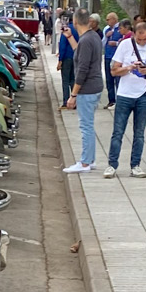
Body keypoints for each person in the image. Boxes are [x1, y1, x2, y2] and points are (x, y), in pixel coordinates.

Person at [106, 17, 146, 177]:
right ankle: (112, 165)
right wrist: (128, 68)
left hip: (144, 95)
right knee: (118, 131)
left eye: (145, 39)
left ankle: (136, 165)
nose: (142, 42)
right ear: (133, 35)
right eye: (139, 39)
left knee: (139, 133)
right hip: (125, 94)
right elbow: (113, 70)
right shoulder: (125, 46)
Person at [63, 10, 105, 172]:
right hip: (95, 87)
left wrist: (73, 94)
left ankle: (85, 162)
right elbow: (80, 54)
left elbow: (82, 69)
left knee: (85, 125)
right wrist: (69, 37)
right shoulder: (92, 37)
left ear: (75, 22)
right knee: (88, 124)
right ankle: (90, 158)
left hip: (87, 89)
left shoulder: (87, 40)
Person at [102, 12, 122, 108]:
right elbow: (102, 43)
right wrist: (106, 36)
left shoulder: (120, 29)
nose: (107, 21)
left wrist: (116, 44)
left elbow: (124, 42)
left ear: (114, 19)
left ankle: (119, 100)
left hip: (117, 58)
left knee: (117, 79)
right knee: (109, 79)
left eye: (108, 19)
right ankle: (111, 100)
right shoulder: (107, 29)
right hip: (107, 56)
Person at [57, 17, 77, 102]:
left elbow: (62, 46)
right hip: (75, 57)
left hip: (67, 57)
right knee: (73, 79)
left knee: (65, 80)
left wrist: (60, 60)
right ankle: (73, 100)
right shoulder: (78, 30)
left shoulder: (66, 30)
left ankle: (66, 101)